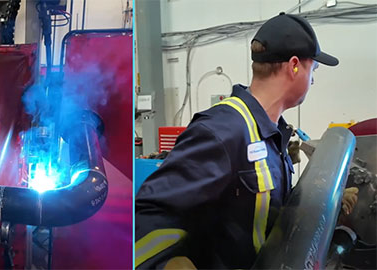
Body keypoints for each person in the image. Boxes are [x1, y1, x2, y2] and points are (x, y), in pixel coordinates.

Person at [135, 13, 355, 269]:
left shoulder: (273, 134)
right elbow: (148, 215)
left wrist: (325, 205)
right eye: (312, 69)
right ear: (294, 66)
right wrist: (170, 263)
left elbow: (262, 214)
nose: (313, 80)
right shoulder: (222, 130)